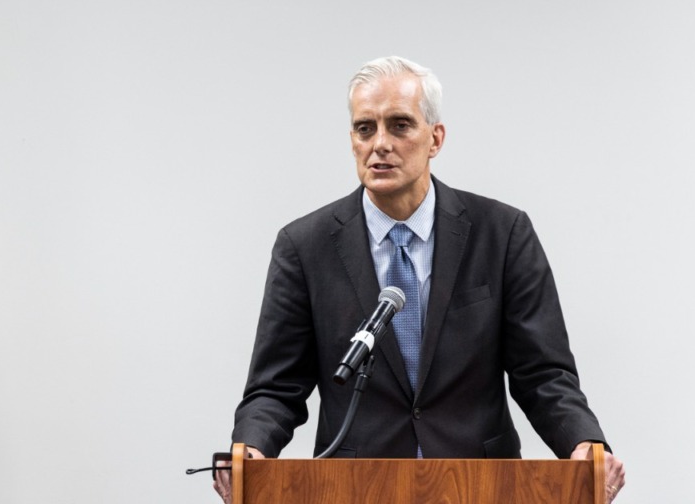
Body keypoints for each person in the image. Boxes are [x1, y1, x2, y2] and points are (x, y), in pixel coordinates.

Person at [214, 57, 625, 502]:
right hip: (354, 488)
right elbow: (277, 386)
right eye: (365, 129)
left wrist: (584, 443)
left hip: (479, 486)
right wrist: (250, 448)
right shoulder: (305, 246)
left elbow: (543, 374)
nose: (380, 144)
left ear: (435, 138)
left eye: (400, 125)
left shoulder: (501, 233)